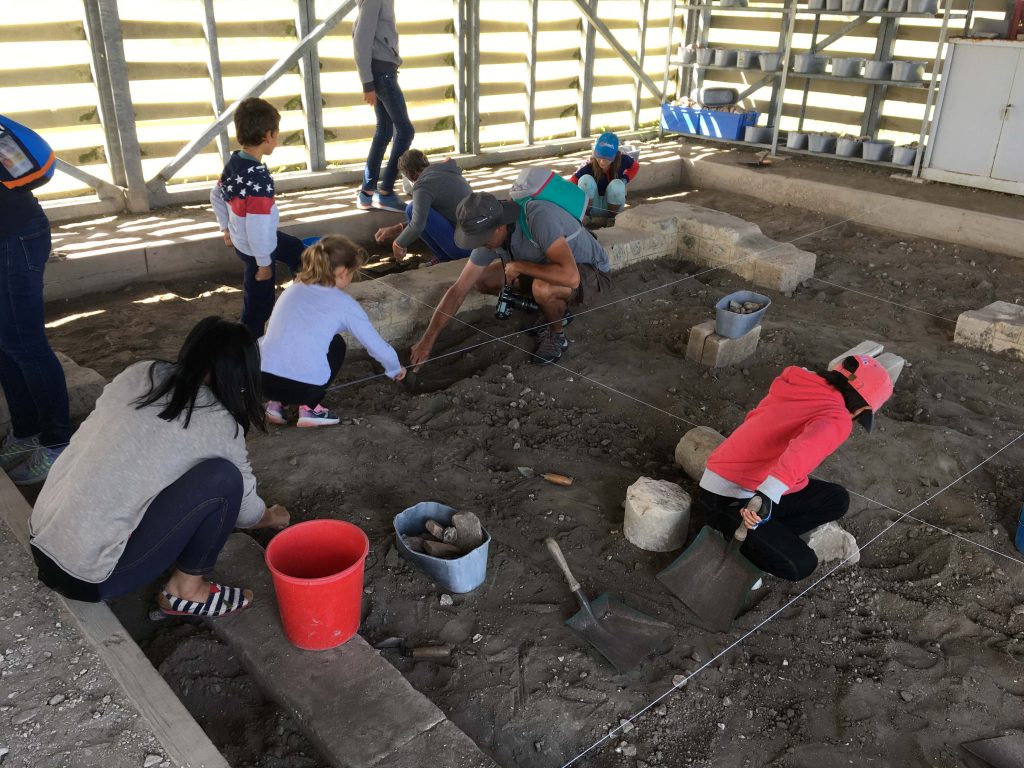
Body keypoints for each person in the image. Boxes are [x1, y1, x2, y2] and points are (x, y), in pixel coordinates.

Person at [29, 316, 289, 617]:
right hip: (88, 576)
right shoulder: (219, 422)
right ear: (241, 374)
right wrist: (271, 517)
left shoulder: (140, 373)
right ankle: (186, 591)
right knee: (224, 479)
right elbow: (246, 513)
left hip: (43, 535)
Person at [697, 354, 895, 581]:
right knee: (801, 565)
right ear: (861, 409)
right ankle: (738, 542)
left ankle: (766, 536)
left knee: (836, 499)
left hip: (723, 480)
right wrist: (767, 496)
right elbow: (802, 451)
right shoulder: (837, 417)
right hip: (732, 501)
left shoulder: (801, 381)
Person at [409, 190, 612, 367]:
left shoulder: (538, 218)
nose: (480, 244)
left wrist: (521, 267)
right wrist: (427, 340)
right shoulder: (489, 235)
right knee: (483, 280)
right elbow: (458, 291)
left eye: (481, 239)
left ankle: (557, 336)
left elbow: (571, 277)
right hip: (549, 266)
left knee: (543, 287)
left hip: (590, 272)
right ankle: (558, 311)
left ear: (499, 227)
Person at [261, 235, 406, 427]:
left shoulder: (293, 290)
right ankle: (309, 408)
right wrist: (394, 368)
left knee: (289, 343)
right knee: (336, 344)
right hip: (300, 387)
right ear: (343, 272)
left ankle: (276, 405)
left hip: (263, 381)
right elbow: (375, 344)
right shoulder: (344, 304)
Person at [0, 114, 71, 486]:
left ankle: (58, 440)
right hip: (10, 235)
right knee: (5, 343)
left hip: (15, 235)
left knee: (24, 342)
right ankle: (26, 431)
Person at [210, 97, 304, 338]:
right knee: (259, 304)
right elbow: (258, 225)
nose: (278, 140)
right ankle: (248, 344)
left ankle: (303, 294)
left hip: (248, 239)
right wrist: (264, 263)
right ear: (267, 135)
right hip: (257, 248)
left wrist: (225, 228)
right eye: (277, 134)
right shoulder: (259, 179)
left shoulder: (235, 162)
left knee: (298, 251)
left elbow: (216, 194)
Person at [353, 0, 414, 214]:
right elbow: (360, 38)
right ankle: (386, 191)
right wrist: (367, 84)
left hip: (384, 72)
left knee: (385, 130)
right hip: (383, 74)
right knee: (406, 130)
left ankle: (367, 192)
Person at [373, 149, 472, 265]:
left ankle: (444, 258)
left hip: (464, 249)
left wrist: (398, 243)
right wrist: (396, 229)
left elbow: (418, 224)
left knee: (411, 208)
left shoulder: (423, 185)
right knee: (415, 210)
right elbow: (425, 217)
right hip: (476, 243)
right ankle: (444, 258)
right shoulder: (444, 171)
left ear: (410, 175)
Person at [568, 132, 639, 224]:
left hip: (614, 207)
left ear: (615, 155)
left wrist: (625, 179)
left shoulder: (623, 158)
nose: (602, 162)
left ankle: (612, 218)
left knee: (617, 184)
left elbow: (635, 166)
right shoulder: (588, 164)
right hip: (593, 206)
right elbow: (571, 182)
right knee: (585, 180)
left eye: (607, 159)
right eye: (599, 157)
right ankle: (586, 215)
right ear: (595, 153)